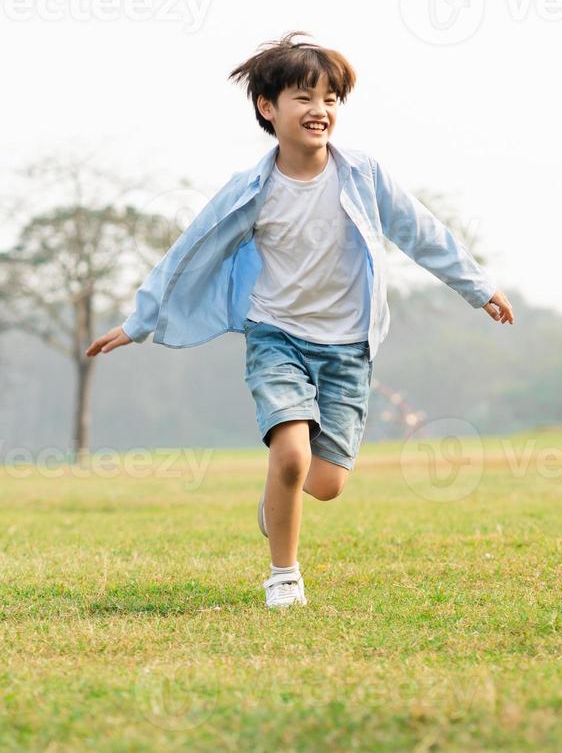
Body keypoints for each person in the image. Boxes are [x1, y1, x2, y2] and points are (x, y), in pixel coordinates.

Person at [88, 32, 515, 609]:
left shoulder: (362, 175)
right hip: (276, 337)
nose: (320, 111)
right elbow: (190, 249)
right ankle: (284, 576)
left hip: (347, 348)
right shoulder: (252, 190)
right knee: (288, 455)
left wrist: (478, 285)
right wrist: (140, 321)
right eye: (304, 98)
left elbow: (420, 232)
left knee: (325, 483)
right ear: (268, 108)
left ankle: (274, 500)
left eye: (331, 99)